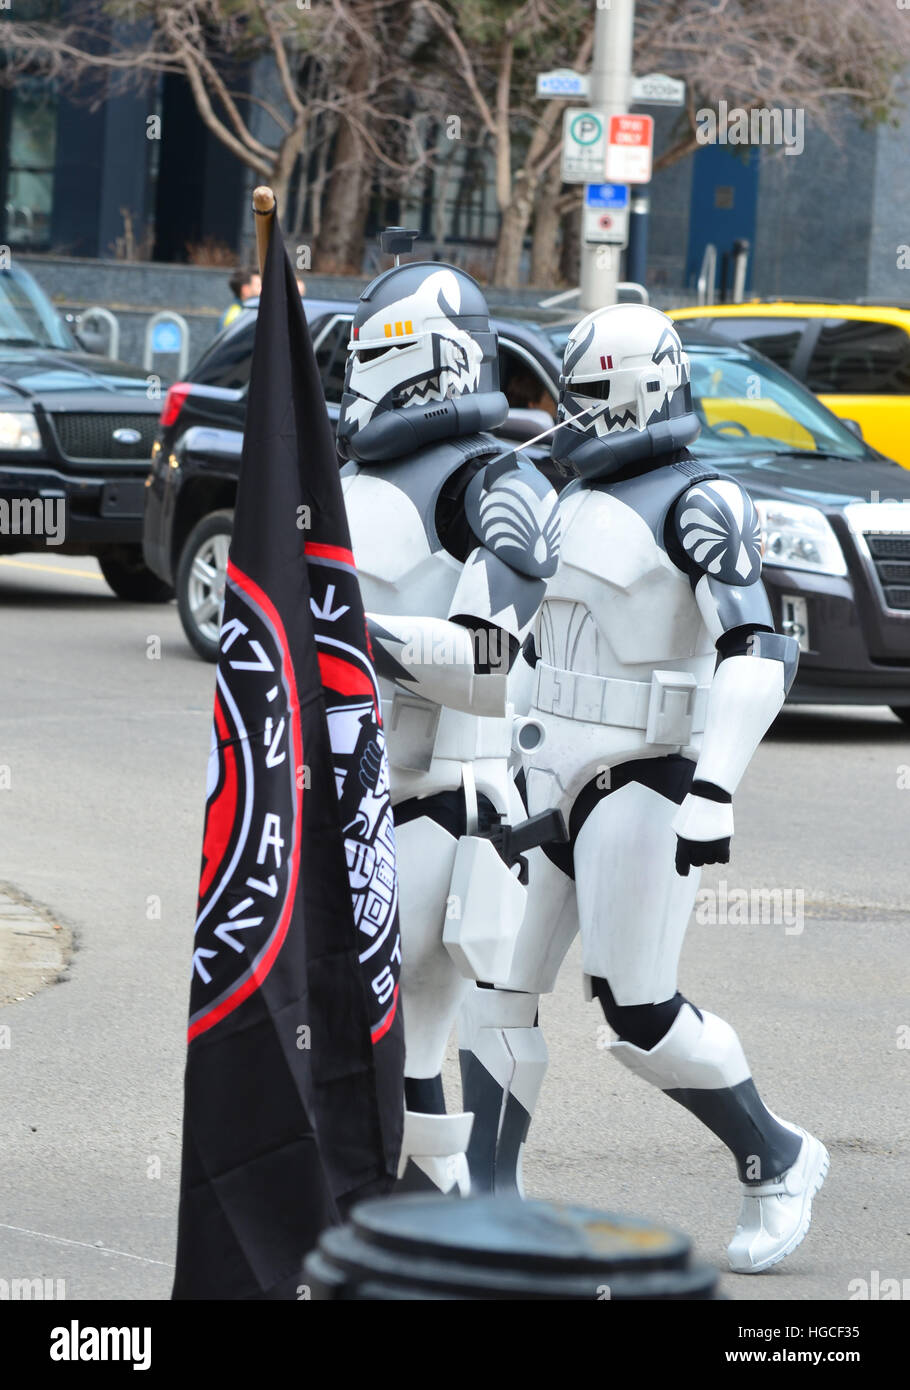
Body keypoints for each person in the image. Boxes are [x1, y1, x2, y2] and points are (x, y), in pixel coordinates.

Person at [488, 303, 828, 1273]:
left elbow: (758, 646)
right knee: (494, 989)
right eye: (570, 396)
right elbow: (528, 645)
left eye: (592, 396)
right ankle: (486, 1202)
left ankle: (773, 1152)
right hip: (546, 762)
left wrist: (715, 784)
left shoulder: (701, 500)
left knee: (637, 1015)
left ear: (641, 389)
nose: (574, 415)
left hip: (646, 771)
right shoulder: (557, 494)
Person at [336, 254, 562, 1193]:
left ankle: (440, 1230)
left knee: (408, 1044)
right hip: (347, 802)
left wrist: (353, 631)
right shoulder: (349, 479)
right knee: (367, 1041)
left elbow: (491, 667)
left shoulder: (492, 489)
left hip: (442, 802)